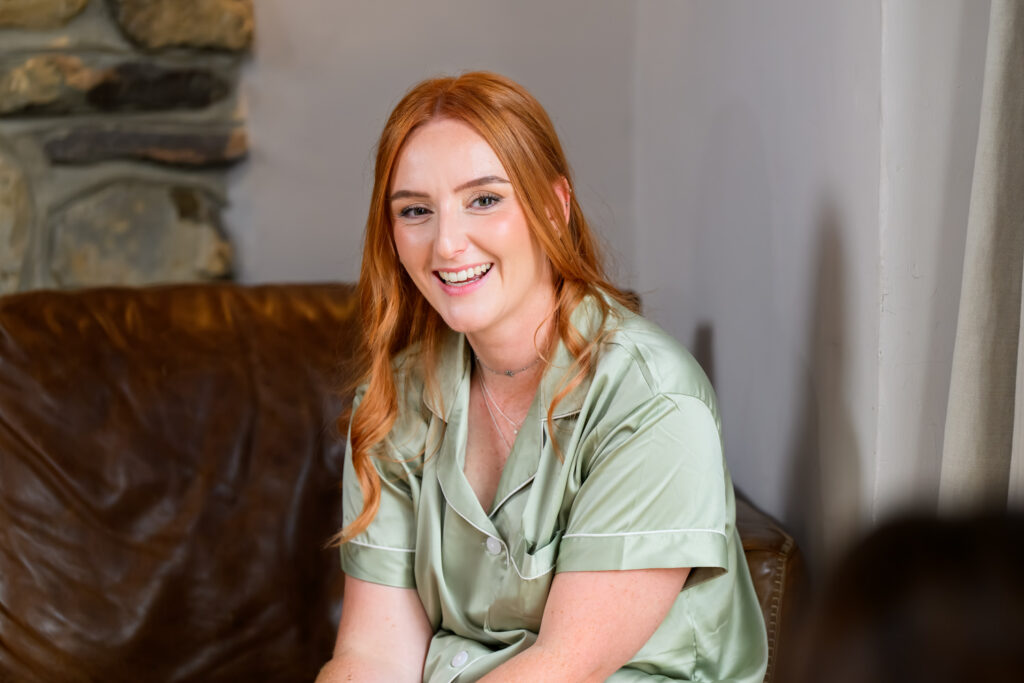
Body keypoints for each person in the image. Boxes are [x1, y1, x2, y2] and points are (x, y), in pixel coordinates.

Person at [316, 71, 767, 682]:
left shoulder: (652, 400)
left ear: (553, 209)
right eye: (416, 210)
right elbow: (371, 654)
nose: (447, 243)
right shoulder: (395, 398)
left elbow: (561, 669)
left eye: (484, 199)